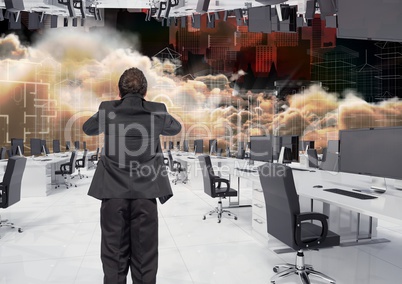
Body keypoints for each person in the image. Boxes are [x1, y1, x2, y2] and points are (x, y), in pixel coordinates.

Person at [82, 67, 181, 284]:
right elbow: (176, 128)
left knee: (113, 255)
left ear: (119, 92)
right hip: (146, 195)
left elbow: (88, 128)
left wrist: (108, 109)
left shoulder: (107, 110)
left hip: (112, 193)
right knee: (145, 257)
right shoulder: (157, 111)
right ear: (145, 92)